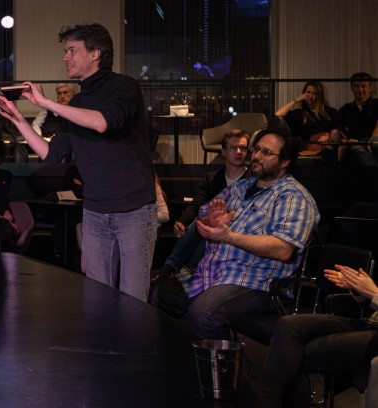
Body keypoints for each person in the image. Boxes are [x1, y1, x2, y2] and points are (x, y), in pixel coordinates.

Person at [0, 22, 157, 302]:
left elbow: (102, 122)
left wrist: (47, 104)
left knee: (133, 300)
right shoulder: (77, 102)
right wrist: (17, 117)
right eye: (66, 51)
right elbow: (50, 153)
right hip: (95, 210)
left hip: (133, 209)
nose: (65, 57)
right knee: (98, 298)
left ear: (95, 53)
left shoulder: (124, 87)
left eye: (72, 50)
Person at [148, 125, 318, 339]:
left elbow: (284, 249)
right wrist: (211, 221)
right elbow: (202, 217)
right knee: (158, 295)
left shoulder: (292, 197)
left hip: (258, 282)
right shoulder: (241, 186)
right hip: (213, 271)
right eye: (257, 149)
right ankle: (183, 356)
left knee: (203, 313)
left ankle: (223, 360)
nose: (256, 156)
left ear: (284, 162)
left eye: (266, 153)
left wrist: (228, 236)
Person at [242, 264, 378, 408]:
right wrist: (360, 290)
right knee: (290, 324)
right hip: (371, 324)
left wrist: (374, 294)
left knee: (292, 355)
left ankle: (264, 403)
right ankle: (264, 401)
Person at [158, 128, 251, 279]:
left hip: (236, 228)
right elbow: (196, 205)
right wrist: (181, 221)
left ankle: (173, 270)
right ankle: (173, 270)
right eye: (233, 147)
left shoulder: (253, 180)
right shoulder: (211, 178)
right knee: (201, 223)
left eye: (243, 148)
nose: (239, 152)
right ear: (223, 151)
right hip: (207, 226)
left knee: (203, 227)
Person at [275, 80, 340, 159]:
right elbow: (278, 114)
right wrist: (296, 100)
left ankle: (330, 158)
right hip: (311, 146)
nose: (310, 96)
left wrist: (328, 136)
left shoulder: (330, 112)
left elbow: (338, 130)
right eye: (308, 92)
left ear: (319, 95)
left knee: (336, 136)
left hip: (330, 144)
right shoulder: (299, 114)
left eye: (314, 93)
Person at [336, 72, 378, 166]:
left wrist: (371, 141)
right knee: (355, 148)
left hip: (373, 140)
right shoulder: (345, 109)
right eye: (356, 86)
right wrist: (348, 140)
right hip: (356, 143)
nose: (360, 90)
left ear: (370, 87)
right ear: (351, 88)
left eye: (363, 86)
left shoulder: (376, 104)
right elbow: (340, 128)